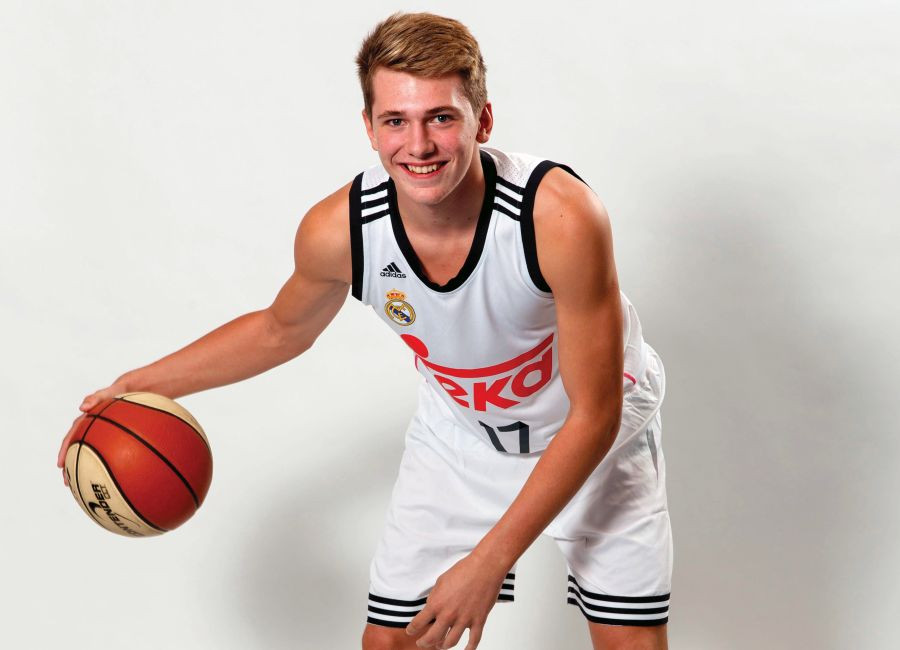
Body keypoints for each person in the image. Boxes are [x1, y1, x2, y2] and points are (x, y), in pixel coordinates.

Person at [58, 12, 672, 650]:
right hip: (461, 436)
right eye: (396, 121)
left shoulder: (560, 218)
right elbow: (278, 330)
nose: (419, 145)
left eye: (442, 117)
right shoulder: (341, 231)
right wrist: (133, 388)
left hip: (594, 437)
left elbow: (594, 413)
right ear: (369, 128)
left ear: (482, 120)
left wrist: (488, 563)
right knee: (392, 643)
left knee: (630, 644)